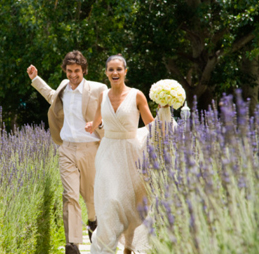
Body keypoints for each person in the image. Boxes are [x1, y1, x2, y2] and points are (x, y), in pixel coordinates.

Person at [85, 55, 173, 254]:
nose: (114, 73)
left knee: (131, 202)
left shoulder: (137, 95)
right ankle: (106, 246)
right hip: (108, 151)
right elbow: (99, 118)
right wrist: (94, 125)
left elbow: (151, 124)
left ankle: (129, 245)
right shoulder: (103, 95)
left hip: (131, 153)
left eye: (118, 69)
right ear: (106, 72)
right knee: (111, 200)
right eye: (111, 69)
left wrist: (164, 114)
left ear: (125, 71)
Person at [26, 50, 107, 254]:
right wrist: (35, 79)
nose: (73, 75)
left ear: (84, 70)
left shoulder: (97, 89)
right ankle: (72, 244)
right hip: (67, 148)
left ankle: (93, 222)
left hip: (91, 148)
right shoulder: (64, 87)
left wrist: (99, 123)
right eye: (69, 71)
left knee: (91, 197)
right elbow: (52, 97)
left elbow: (108, 112)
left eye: (77, 71)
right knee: (70, 195)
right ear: (65, 70)